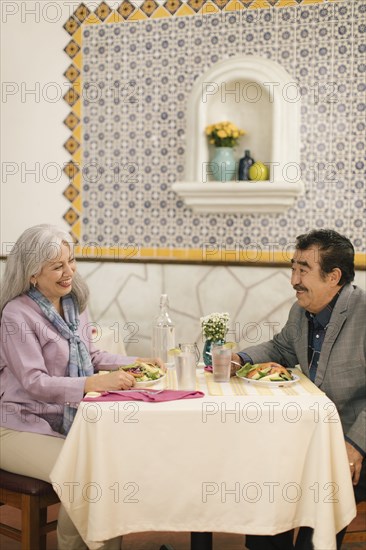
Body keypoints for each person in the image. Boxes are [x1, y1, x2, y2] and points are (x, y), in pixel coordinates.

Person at [0, 224, 164, 550]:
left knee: (106, 470)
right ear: (32, 274)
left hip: (65, 426)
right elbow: (34, 382)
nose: (69, 272)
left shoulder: (74, 303)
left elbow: (92, 355)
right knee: (88, 476)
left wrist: (135, 362)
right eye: (57, 266)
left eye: (71, 261)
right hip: (17, 428)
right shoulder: (16, 315)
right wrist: (91, 383)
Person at [230, 229, 366, 550]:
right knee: (268, 474)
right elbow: (281, 348)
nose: (293, 279)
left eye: (303, 269)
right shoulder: (302, 311)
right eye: (293, 268)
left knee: (322, 502)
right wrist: (240, 358)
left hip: (353, 441)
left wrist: (355, 446)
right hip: (312, 436)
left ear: (333, 277)